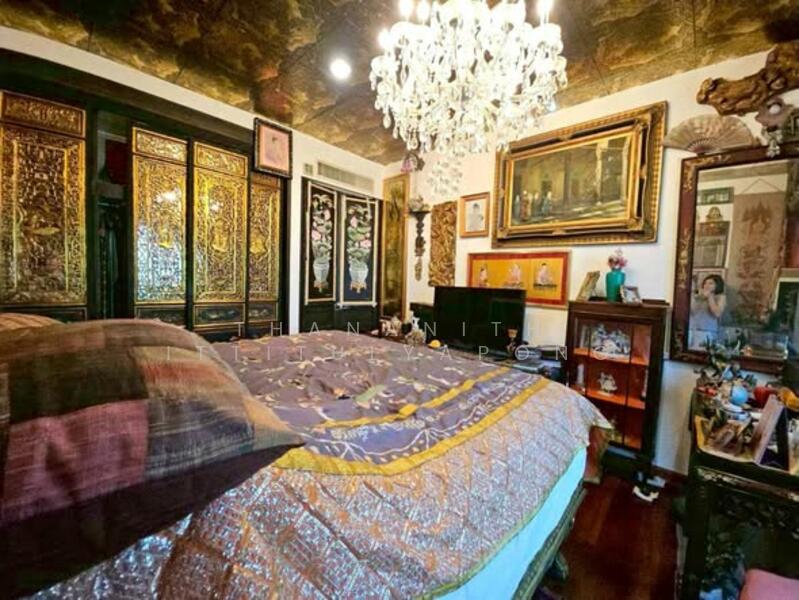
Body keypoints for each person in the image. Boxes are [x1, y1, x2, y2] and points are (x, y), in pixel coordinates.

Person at [691, 274, 727, 346]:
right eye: (705, 283)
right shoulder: (698, 297)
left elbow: (717, 313)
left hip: (707, 331)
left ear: (717, 285)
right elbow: (692, 311)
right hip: (693, 329)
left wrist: (710, 297)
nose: (707, 285)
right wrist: (696, 297)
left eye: (711, 283)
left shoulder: (721, 297)